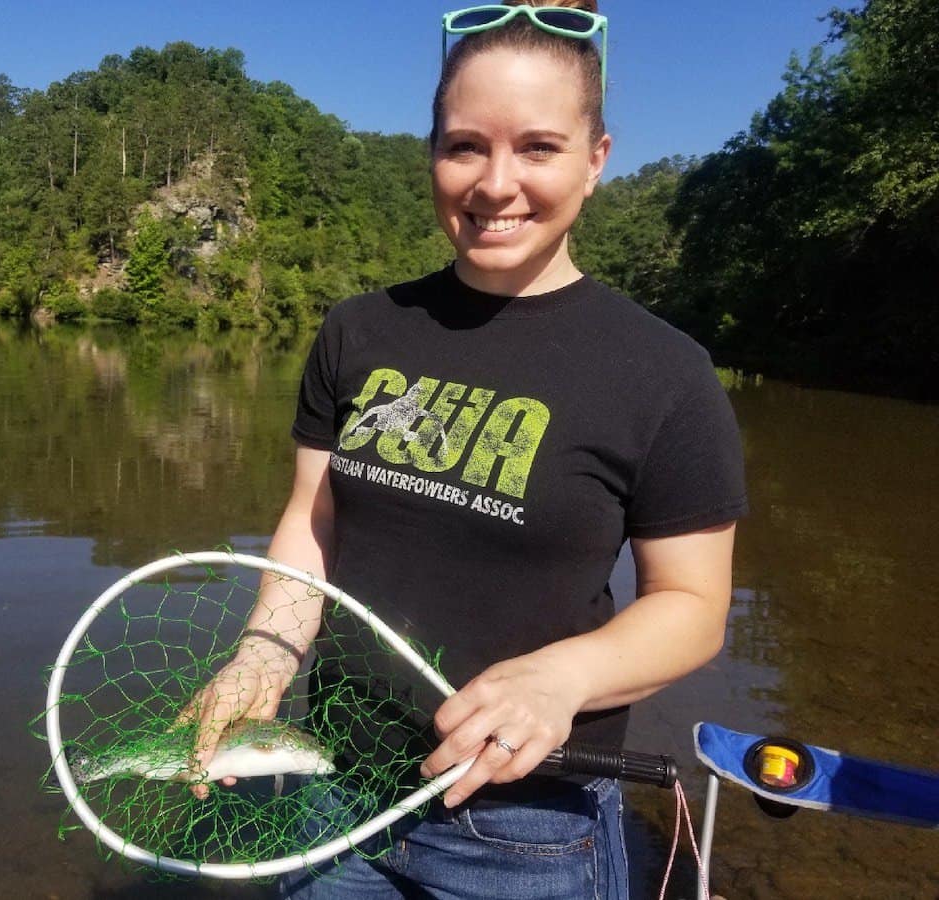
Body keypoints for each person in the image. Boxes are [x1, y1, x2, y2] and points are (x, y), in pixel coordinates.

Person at [188, 2, 748, 897]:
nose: (495, 184)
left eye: (537, 146)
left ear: (597, 159)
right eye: (464, 147)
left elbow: (690, 605)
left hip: (530, 825)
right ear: (432, 155)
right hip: (336, 790)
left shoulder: (664, 374)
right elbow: (313, 520)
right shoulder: (360, 331)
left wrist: (560, 677)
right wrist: (266, 649)